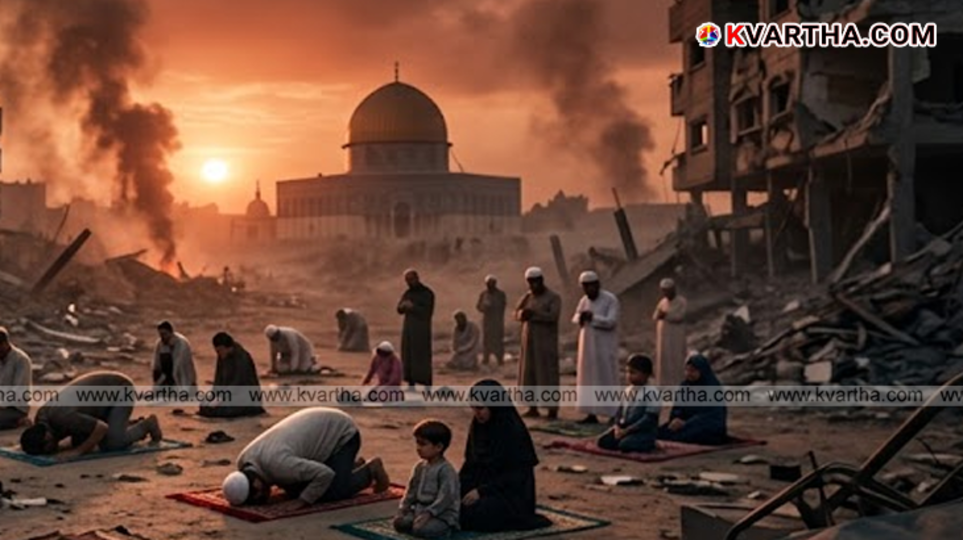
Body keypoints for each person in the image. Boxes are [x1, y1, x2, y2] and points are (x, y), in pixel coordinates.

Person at [222, 407, 390, 508]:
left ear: (257, 484)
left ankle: (371, 469)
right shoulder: (243, 461)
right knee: (294, 486)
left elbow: (325, 474)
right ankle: (351, 466)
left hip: (343, 434)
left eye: (257, 497)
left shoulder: (280, 466)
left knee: (330, 492)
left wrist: (302, 501)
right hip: (321, 427)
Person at [460, 380, 551, 532]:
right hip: (482, 487)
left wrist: (482, 491)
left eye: (481, 408)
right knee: (451, 502)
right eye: (473, 408)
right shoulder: (478, 426)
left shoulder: (511, 430)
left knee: (478, 513)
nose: (477, 413)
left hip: (509, 495)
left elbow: (517, 476)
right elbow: (471, 464)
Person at [20, 371, 162, 457]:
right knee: (80, 440)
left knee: (112, 444)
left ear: (48, 437)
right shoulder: (41, 418)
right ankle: (123, 424)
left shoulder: (63, 417)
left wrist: (78, 452)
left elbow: (101, 428)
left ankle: (147, 424)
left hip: (120, 388)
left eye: (48, 449)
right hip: (98, 400)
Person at [394, 420, 460, 538]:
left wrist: (429, 514)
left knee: (421, 530)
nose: (418, 448)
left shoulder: (446, 470)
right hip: (419, 511)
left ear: (439, 447)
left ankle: (445, 530)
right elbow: (411, 492)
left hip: (440, 515)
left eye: (423, 444)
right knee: (399, 523)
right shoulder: (419, 467)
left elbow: (446, 498)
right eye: (417, 443)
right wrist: (403, 509)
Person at [572, 271, 620, 424]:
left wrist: (593, 317)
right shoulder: (584, 300)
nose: (588, 290)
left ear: (597, 284)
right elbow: (575, 317)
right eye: (585, 287)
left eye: (591, 286)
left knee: (606, 377)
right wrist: (581, 317)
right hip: (587, 346)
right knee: (588, 378)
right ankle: (591, 413)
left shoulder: (610, 299)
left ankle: (613, 413)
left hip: (604, 346)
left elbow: (611, 321)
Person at [514, 267, 561, 419]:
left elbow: (553, 316)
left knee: (547, 375)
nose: (533, 285)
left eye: (536, 282)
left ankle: (551, 409)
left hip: (545, 344)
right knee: (530, 374)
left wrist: (534, 314)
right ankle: (532, 406)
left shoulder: (553, 297)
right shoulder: (527, 297)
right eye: (530, 282)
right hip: (529, 342)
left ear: (541, 281)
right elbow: (516, 312)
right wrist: (522, 314)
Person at [659, 354, 728, 445]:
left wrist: (686, 423)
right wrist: (676, 418)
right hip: (686, 424)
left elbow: (710, 415)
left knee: (691, 435)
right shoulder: (685, 386)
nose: (688, 374)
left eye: (692, 371)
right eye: (686, 370)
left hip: (707, 426)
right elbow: (678, 407)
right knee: (661, 431)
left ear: (702, 371)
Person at [598, 355, 660, 453]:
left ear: (645, 375)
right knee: (603, 442)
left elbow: (649, 419)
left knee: (625, 445)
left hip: (642, 431)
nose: (629, 376)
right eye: (627, 372)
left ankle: (649, 444)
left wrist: (627, 430)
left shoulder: (652, 393)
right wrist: (618, 427)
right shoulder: (627, 391)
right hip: (625, 429)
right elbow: (619, 412)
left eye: (633, 373)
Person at [198, 332, 265, 418]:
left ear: (227, 347)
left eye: (219, 350)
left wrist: (222, 397)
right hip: (227, 395)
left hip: (245, 396)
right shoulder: (222, 356)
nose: (218, 353)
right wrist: (214, 396)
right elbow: (218, 379)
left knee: (224, 410)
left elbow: (238, 383)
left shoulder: (242, 358)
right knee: (205, 404)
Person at [397, 269, 435, 390]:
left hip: (421, 330)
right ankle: (411, 383)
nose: (410, 282)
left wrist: (413, 307)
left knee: (422, 357)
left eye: (411, 279)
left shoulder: (427, 293)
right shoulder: (408, 293)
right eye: (407, 280)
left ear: (417, 278)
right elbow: (399, 309)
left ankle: (427, 385)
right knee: (408, 356)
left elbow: (427, 312)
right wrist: (403, 306)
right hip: (408, 330)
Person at [653, 278, 688, 386]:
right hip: (663, 338)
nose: (666, 293)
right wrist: (659, 315)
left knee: (676, 360)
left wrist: (666, 315)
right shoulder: (662, 302)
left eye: (668, 290)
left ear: (673, 290)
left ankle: (679, 384)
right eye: (664, 291)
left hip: (676, 336)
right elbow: (655, 315)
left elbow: (680, 316)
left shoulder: (681, 301)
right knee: (664, 361)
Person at [0, 327, 32, 430]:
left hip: (15, 409)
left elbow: (18, 392)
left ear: (4, 344)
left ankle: (19, 421)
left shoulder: (21, 360)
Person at [152, 321, 197, 390]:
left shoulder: (181, 343)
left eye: (164, 334)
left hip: (184, 380)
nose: (162, 337)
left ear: (171, 332)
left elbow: (178, 368)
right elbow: (156, 364)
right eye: (160, 334)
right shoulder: (160, 344)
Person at [475, 275, 507, 366]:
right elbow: (478, 306)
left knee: (498, 340)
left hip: (497, 321)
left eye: (492, 283)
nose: (490, 286)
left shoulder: (500, 294)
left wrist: (493, 306)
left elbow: (502, 306)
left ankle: (500, 359)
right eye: (488, 284)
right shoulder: (483, 294)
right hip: (487, 321)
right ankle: (486, 358)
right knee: (487, 340)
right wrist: (484, 307)